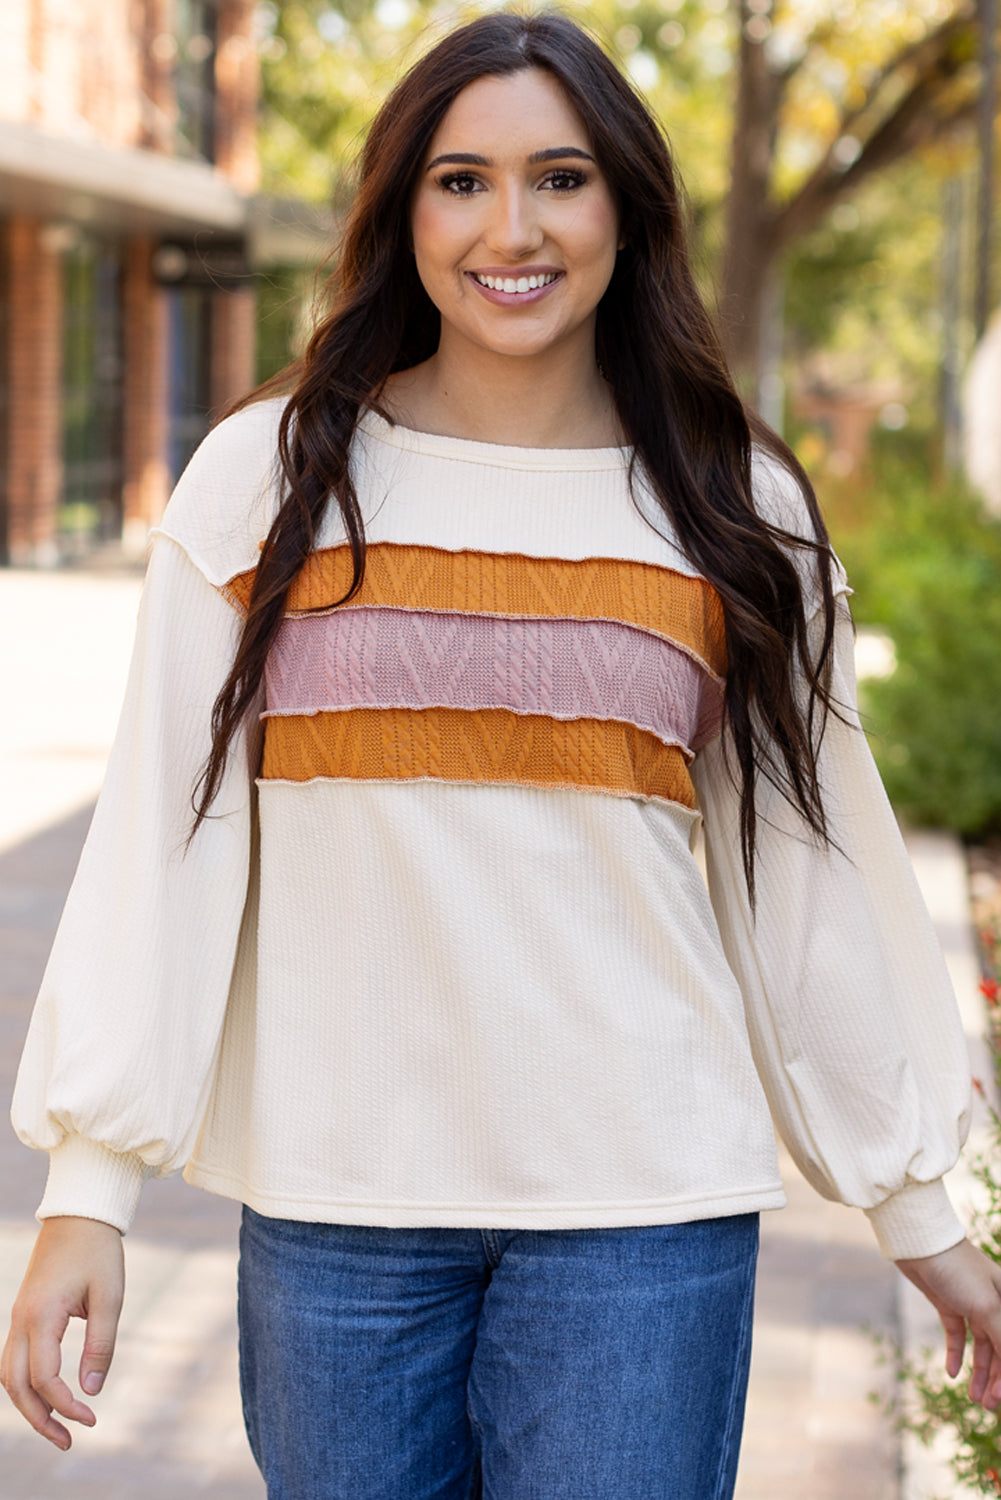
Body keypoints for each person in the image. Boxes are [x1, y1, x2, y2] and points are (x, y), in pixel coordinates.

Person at [3, 11, 1001, 1498]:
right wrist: (88, 1192)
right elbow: (162, 845)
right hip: (334, 1213)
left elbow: (813, 883)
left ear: (626, 208)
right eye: (461, 180)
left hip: (642, 1222)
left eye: (562, 177)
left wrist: (920, 1213)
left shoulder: (736, 506)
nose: (511, 227)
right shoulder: (268, 482)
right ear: (403, 210)